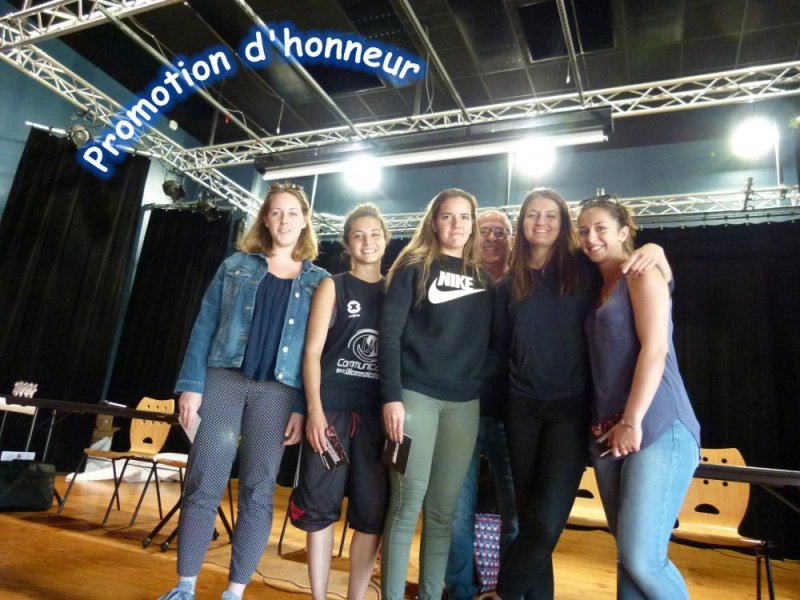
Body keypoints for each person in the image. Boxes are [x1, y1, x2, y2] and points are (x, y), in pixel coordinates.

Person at [489, 188, 671, 600]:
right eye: (532, 214)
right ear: (521, 223)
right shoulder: (508, 285)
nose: (540, 222)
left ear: (562, 224)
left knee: (546, 524)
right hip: (520, 410)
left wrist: (657, 251)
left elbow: (642, 272)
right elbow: (499, 352)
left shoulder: (584, 271)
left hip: (570, 413)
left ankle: (502, 593)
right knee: (529, 521)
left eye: (550, 215)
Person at [158, 183, 328, 600]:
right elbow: (204, 325)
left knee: (258, 488)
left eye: (292, 212)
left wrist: (303, 406)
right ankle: (184, 587)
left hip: (278, 393)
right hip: (224, 381)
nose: (284, 220)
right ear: (265, 219)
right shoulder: (235, 265)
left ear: (305, 220)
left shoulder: (320, 281)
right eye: (276, 212)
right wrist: (191, 387)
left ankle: (234, 592)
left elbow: (316, 352)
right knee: (204, 480)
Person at [577, 196, 700, 600]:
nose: (591, 237)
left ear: (624, 231)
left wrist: (632, 421)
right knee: (628, 559)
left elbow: (655, 349)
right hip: (609, 433)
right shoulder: (596, 285)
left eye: (600, 228)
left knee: (643, 559)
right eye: (583, 230)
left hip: (657, 424)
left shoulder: (641, 272)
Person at [379, 188, 493, 600]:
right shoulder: (413, 267)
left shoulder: (485, 281)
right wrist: (391, 397)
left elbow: (492, 345)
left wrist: (473, 378)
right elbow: (389, 334)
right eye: (448, 216)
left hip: (463, 406)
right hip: (413, 400)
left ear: (473, 225)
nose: (456, 224)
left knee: (443, 511)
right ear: (434, 222)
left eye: (465, 217)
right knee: (406, 504)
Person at [289, 204, 389, 600]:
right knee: (320, 506)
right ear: (347, 244)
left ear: (386, 240)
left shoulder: (396, 290)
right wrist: (314, 411)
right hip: (330, 411)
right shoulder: (333, 286)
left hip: (376, 417)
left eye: (375, 234)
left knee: (372, 513)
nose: (368, 241)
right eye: (358, 235)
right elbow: (312, 352)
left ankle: (355, 596)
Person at [445, 210, 519, 600]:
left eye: (500, 231)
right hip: (461, 412)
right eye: (484, 230)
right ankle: (459, 589)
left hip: (512, 416)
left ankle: (508, 591)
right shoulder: (457, 284)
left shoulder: (524, 285)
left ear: (512, 239)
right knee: (455, 513)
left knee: (516, 514)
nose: (491, 237)